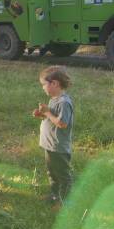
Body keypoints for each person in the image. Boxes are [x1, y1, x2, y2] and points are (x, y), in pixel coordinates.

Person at [32, 66, 74, 207]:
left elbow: (62, 123)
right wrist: (42, 114)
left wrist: (48, 113)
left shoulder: (64, 102)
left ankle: (65, 202)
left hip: (58, 147)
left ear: (54, 83)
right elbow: (52, 118)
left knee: (63, 176)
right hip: (49, 144)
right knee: (52, 174)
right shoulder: (54, 99)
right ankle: (54, 195)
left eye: (44, 84)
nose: (43, 88)